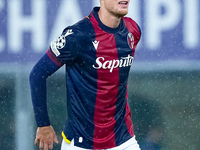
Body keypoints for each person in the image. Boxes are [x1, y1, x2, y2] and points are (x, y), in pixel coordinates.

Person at [29, 0, 141, 149]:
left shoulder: (132, 30)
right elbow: (37, 74)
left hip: (123, 140)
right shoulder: (78, 35)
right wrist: (43, 125)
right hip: (82, 143)